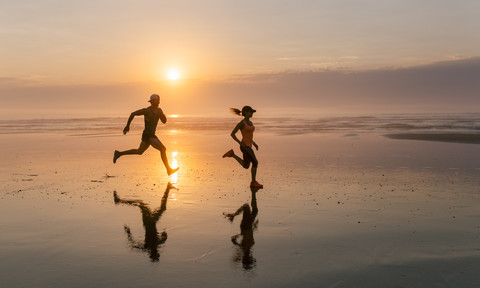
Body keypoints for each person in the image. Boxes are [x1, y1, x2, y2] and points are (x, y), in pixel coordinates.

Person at [113, 94, 179, 176]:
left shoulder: (159, 110)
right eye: (157, 100)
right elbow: (133, 114)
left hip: (149, 135)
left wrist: (162, 115)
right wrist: (127, 126)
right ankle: (168, 170)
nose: (159, 102)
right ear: (152, 101)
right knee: (163, 149)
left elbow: (164, 121)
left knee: (139, 151)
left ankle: (118, 153)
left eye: (159, 100)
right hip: (148, 135)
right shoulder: (147, 111)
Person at [222, 106, 263, 188]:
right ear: (246, 112)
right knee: (255, 162)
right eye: (250, 112)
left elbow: (249, 136)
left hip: (249, 146)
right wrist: (239, 142)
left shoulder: (251, 123)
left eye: (252, 112)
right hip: (245, 146)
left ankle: (232, 154)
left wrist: (254, 144)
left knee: (246, 165)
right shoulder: (242, 123)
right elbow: (232, 134)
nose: (252, 113)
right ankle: (253, 182)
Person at [223, 186, 260, 270]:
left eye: (251, 259)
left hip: (246, 226)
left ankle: (233, 215)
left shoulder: (245, 248)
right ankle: (254, 193)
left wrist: (239, 235)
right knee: (254, 210)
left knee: (247, 207)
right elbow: (236, 239)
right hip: (248, 226)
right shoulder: (246, 248)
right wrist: (254, 226)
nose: (252, 257)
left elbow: (234, 240)